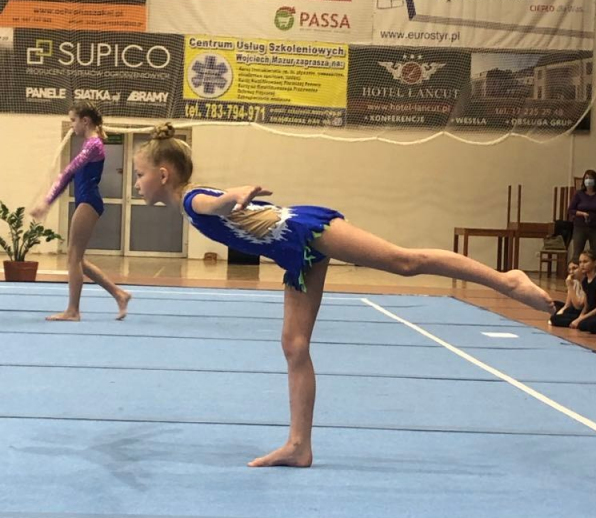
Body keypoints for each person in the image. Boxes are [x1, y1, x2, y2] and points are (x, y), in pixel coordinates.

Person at [133, 123, 555, 468]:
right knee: (294, 345)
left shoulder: (192, 199)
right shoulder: (189, 201)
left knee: (404, 262)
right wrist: (232, 198)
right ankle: (299, 446)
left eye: (139, 174)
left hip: (306, 230)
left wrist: (235, 196)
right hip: (295, 252)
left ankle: (506, 281)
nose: (136, 183)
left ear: (163, 175)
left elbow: (217, 205)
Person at [30, 101, 131, 321]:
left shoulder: (93, 144)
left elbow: (69, 172)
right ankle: (119, 294)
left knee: (73, 258)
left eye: (73, 120)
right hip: (87, 201)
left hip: (88, 201)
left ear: (85, 121)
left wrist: (47, 202)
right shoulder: (90, 143)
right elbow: (70, 175)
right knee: (78, 259)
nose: (71, 125)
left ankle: (73, 311)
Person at [568, 170, 596, 263]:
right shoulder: (579, 194)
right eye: (586, 178)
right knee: (577, 253)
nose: (588, 180)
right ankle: (575, 270)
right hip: (580, 227)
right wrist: (582, 213)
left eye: (591, 178)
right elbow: (571, 210)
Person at [569, 250, 596, 333]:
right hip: (592, 313)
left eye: (585, 262)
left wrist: (580, 319)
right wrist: (580, 317)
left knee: (589, 325)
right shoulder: (585, 281)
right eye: (580, 262)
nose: (582, 265)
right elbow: (586, 306)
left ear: (595, 263)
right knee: (580, 323)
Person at [549, 261, 585, 327]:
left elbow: (578, 306)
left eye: (574, 268)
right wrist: (559, 313)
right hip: (573, 308)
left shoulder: (586, 283)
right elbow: (567, 305)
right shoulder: (574, 282)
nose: (571, 272)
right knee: (554, 304)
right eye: (569, 269)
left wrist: (570, 286)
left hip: (581, 311)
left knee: (556, 319)